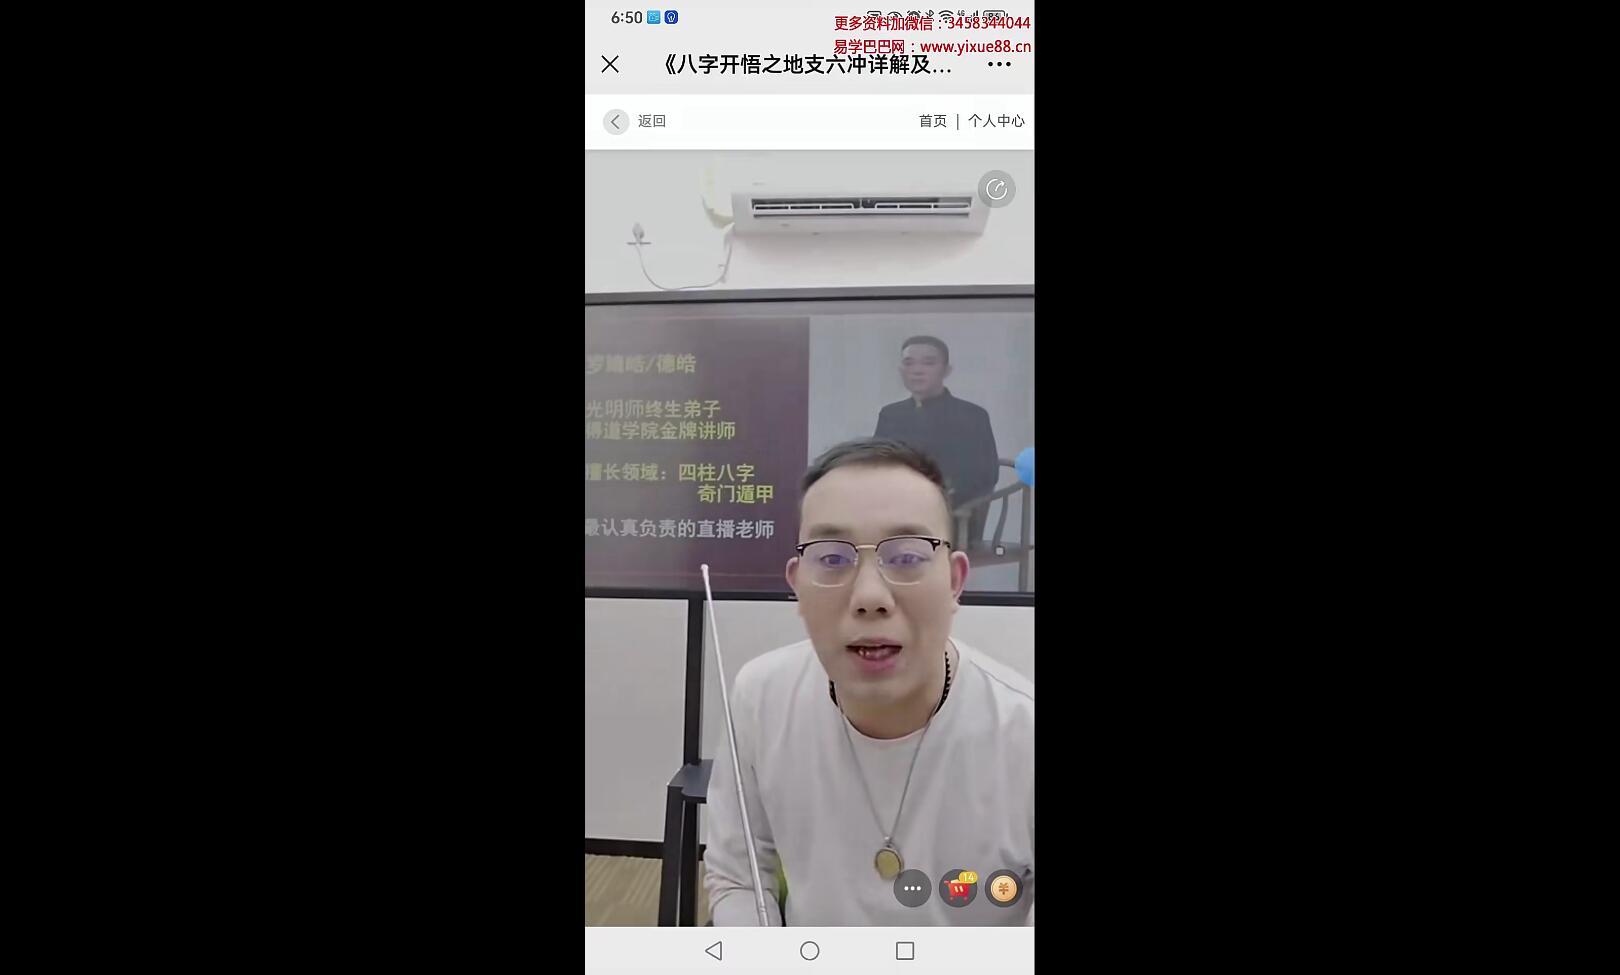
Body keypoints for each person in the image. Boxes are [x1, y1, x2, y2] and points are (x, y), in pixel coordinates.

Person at [704, 438, 1034, 926]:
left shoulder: (1023, 732)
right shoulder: (761, 697)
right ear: (796, 586)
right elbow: (737, 877)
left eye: (907, 556)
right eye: (832, 559)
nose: (869, 597)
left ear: (954, 582)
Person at [873, 336, 1001, 549]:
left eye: (928, 362)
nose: (917, 370)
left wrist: (932, 498)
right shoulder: (890, 414)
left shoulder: (971, 415)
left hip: (955, 515)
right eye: (909, 363)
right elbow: (878, 466)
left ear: (946, 370)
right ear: (901, 370)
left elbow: (985, 474)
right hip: (898, 511)